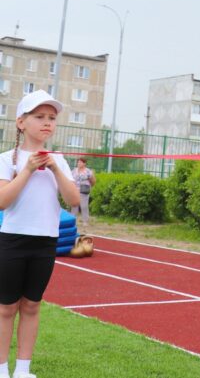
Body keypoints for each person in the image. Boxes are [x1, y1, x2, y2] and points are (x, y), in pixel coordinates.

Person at [0, 90, 80, 378]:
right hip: (12, 240)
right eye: (39, 117)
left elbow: (73, 199)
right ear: (21, 122)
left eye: (52, 118)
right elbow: (2, 201)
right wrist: (28, 170)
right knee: (6, 308)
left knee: (32, 305)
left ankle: (23, 371)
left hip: (46, 241)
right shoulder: (7, 158)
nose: (47, 122)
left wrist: (56, 169)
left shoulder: (59, 159)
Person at [70, 158, 96, 227]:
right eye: (78, 162)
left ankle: (85, 221)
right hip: (75, 190)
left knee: (84, 206)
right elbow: (70, 179)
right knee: (74, 205)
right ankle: (72, 220)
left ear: (84, 163)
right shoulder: (74, 171)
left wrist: (89, 187)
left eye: (80, 162)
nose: (79, 163)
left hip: (84, 190)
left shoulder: (88, 171)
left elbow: (93, 181)